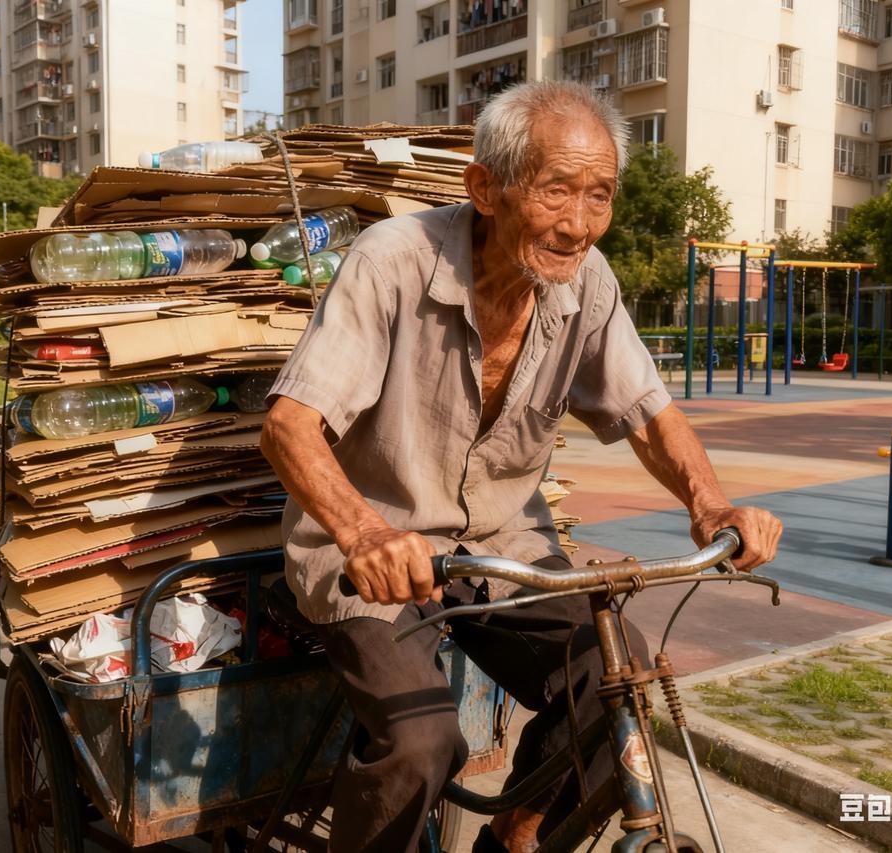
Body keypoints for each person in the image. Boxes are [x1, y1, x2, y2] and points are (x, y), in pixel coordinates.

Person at [259, 80, 783, 853]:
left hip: (505, 549)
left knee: (621, 687)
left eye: (599, 195)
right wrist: (364, 533)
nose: (579, 224)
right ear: (485, 188)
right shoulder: (393, 261)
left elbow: (649, 412)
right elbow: (288, 425)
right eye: (556, 190)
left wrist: (710, 503)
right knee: (419, 740)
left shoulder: (588, 282)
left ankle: (516, 837)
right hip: (377, 553)